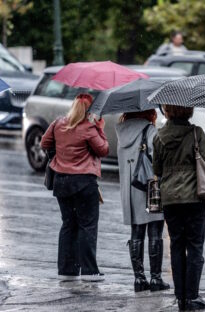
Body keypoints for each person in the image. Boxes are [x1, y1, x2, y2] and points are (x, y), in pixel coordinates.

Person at [40, 93, 109, 282]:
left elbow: (44, 143)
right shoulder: (89, 128)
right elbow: (103, 149)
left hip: (61, 181)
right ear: (89, 110)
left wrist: (60, 152)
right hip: (84, 183)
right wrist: (100, 129)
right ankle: (89, 271)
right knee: (87, 225)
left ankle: (66, 270)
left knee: (68, 224)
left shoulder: (58, 123)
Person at [153, 105, 205, 311]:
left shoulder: (159, 137)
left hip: (170, 199)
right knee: (195, 245)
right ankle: (192, 296)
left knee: (176, 244)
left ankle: (181, 297)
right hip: (195, 197)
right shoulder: (196, 133)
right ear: (188, 110)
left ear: (167, 111)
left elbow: (157, 169)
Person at [115, 109, 170, 292]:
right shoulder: (150, 131)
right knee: (155, 231)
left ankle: (139, 279)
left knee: (136, 233)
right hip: (150, 187)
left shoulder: (121, 132)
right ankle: (156, 278)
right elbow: (159, 159)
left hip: (130, 189)